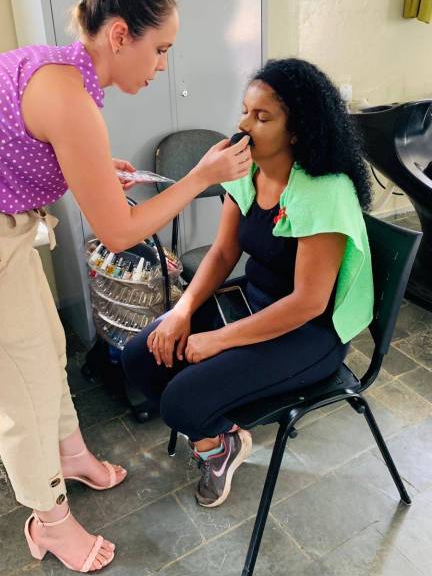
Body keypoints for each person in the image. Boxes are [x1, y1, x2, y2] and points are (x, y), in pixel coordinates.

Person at [0, 0, 252, 573]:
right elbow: (118, 233)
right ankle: (49, 521)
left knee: (46, 348)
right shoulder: (71, 98)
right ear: (120, 35)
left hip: (12, 226)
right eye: (160, 49)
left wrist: (89, 167)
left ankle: (70, 455)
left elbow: (33, 144)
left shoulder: (61, 71)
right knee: (21, 384)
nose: (162, 65)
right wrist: (200, 176)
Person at [122, 57, 374, 509]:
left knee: (180, 403)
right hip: (251, 300)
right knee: (141, 357)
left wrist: (218, 340)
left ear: (296, 130)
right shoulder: (248, 172)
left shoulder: (324, 191)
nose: (243, 125)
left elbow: (308, 303)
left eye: (262, 116)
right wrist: (181, 310)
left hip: (309, 332)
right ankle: (220, 440)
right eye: (244, 111)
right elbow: (222, 253)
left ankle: (215, 441)